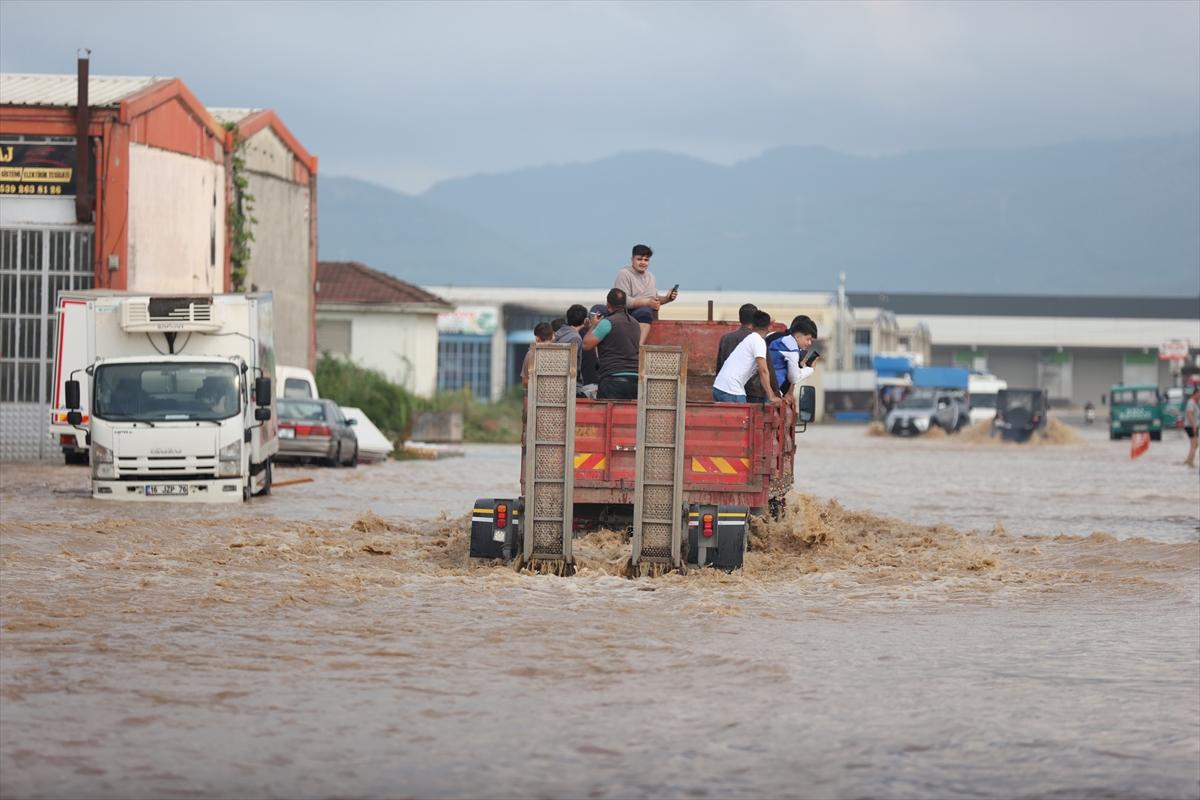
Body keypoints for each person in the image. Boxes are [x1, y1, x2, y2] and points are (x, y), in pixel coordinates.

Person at [582, 288, 641, 400]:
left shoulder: (607, 323)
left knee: (607, 417)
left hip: (612, 381)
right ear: (625, 304)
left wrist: (593, 325)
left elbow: (586, 345)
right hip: (635, 381)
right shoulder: (635, 323)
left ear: (608, 305)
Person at [612, 244, 677, 345]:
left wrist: (668, 298)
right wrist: (647, 303)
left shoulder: (651, 277)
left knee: (645, 311)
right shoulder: (624, 274)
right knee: (645, 311)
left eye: (646, 260)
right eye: (639, 259)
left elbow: (653, 299)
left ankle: (639, 347)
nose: (643, 262)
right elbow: (622, 301)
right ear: (632, 259)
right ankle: (636, 348)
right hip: (625, 313)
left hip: (642, 313)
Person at [711, 311, 780, 405]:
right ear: (770, 327)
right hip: (731, 390)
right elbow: (763, 370)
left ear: (752, 326)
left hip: (719, 387)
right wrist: (771, 396)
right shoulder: (758, 341)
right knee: (744, 419)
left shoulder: (750, 339)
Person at [765, 315, 819, 398]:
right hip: (772, 392)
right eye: (808, 339)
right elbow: (793, 378)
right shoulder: (792, 348)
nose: (809, 343)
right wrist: (810, 369)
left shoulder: (773, 337)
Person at [554, 304, 591, 396]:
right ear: (585, 320)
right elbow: (572, 367)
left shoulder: (558, 333)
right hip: (571, 386)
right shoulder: (576, 338)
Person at [520, 322, 554, 389]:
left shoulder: (531, 354)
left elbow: (525, 382)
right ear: (552, 337)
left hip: (537, 397)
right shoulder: (561, 353)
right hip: (559, 396)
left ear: (537, 338)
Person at [1184, 385, 1199, 468]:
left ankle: (1188, 460)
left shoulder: (1195, 402)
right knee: (1195, 444)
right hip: (1191, 426)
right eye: (1199, 394)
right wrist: (1194, 426)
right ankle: (1191, 462)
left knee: (1194, 444)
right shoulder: (1191, 402)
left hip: (1193, 426)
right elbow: (1189, 414)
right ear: (1195, 394)